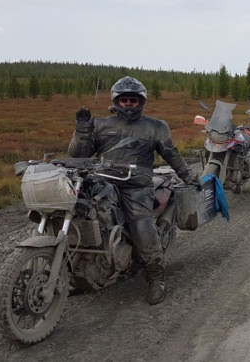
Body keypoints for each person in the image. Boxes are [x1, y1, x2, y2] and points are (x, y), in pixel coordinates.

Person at [69, 76, 197, 305]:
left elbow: (171, 154)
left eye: (133, 100)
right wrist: (82, 131)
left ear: (141, 101)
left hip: (136, 186)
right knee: (80, 215)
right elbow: (78, 156)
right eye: (124, 99)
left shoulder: (156, 126)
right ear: (116, 101)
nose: (129, 103)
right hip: (102, 182)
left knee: (141, 223)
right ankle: (80, 272)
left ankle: (156, 278)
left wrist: (187, 175)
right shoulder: (100, 125)